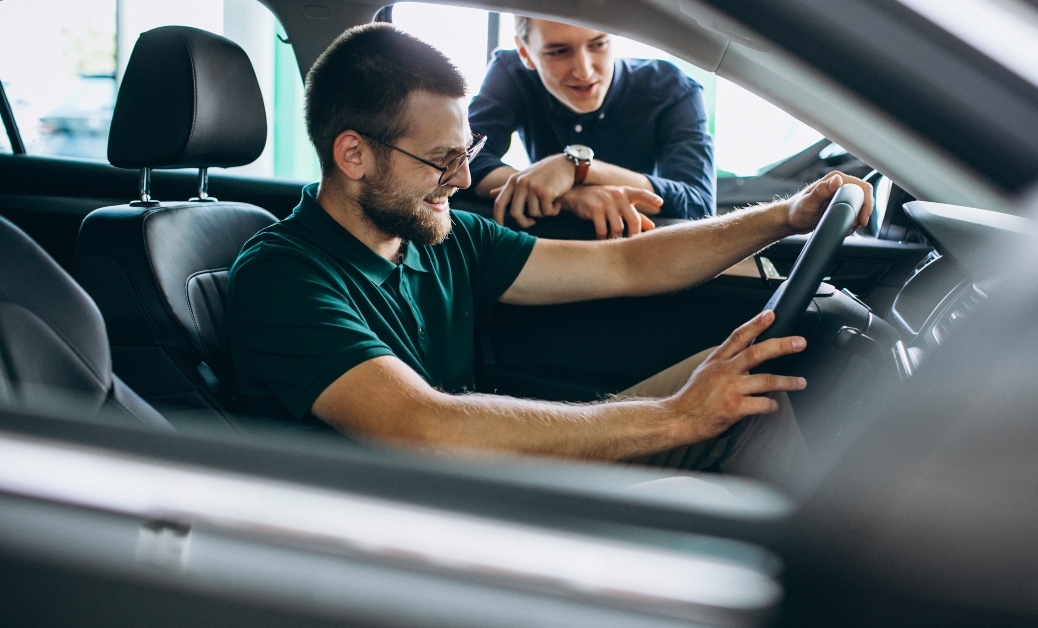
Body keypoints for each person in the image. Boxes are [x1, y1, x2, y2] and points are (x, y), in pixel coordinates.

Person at [227, 24, 871, 472]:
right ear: (353, 154)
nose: (460, 179)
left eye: (467, 153)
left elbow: (628, 261)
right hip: (424, 517)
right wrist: (676, 417)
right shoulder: (284, 275)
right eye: (439, 160)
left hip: (493, 473)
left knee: (749, 376)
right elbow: (424, 428)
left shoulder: (443, 238)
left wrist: (786, 215)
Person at [468, 17, 715, 239]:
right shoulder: (511, 72)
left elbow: (699, 206)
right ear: (525, 53)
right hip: (546, 247)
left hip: (641, 251)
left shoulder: (672, 88)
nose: (584, 71)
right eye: (559, 52)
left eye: (598, 44)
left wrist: (577, 168)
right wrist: (569, 196)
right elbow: (462, 162)